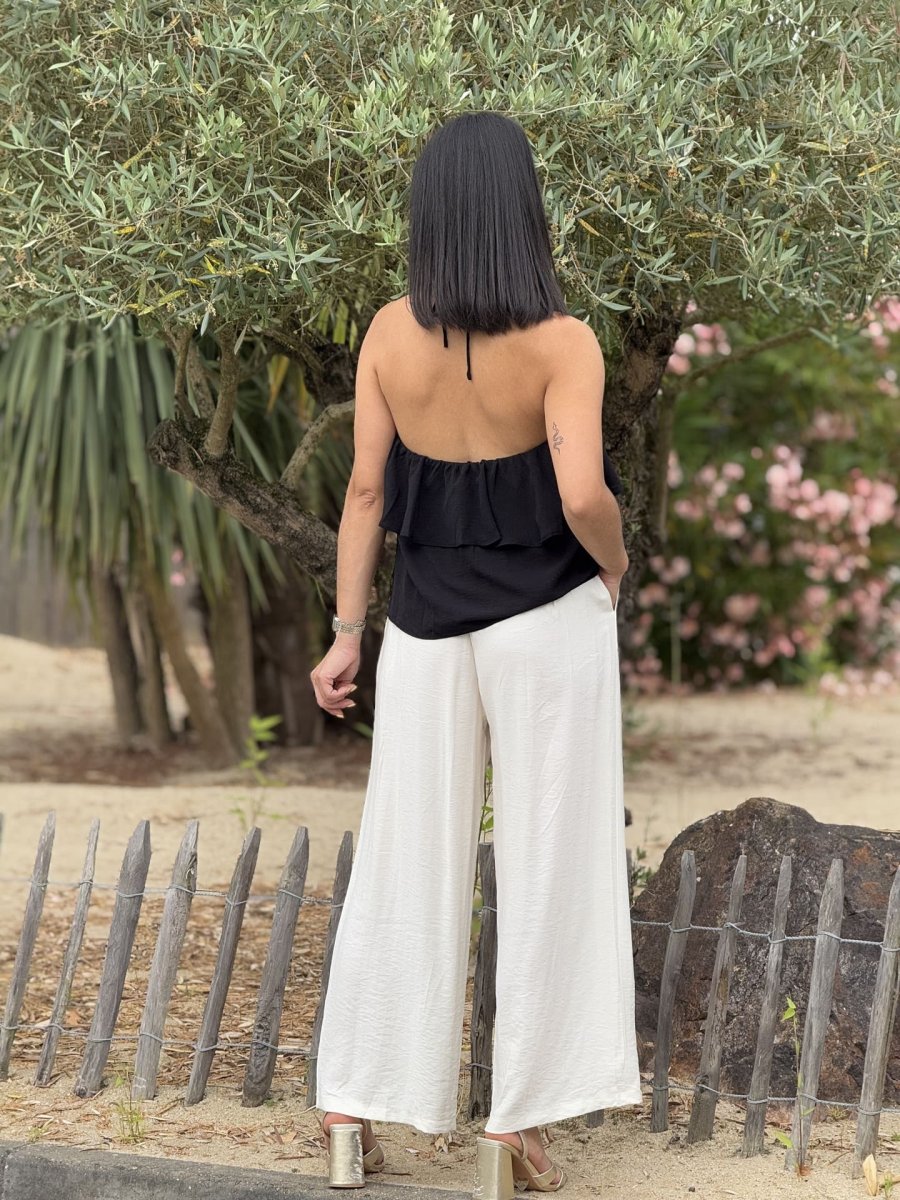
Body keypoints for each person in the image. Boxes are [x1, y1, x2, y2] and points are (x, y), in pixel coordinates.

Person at [309, 110, 643, 1196]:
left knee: (405, 855)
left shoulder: (386, 334)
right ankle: (516, 1128)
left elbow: (366, 493)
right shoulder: (563, 343)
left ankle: (354, 1104)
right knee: (552, 859)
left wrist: (346, 633)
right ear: (521, 211)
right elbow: (582, 495)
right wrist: (616, 566)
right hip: (546, 624)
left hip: (421, 629)